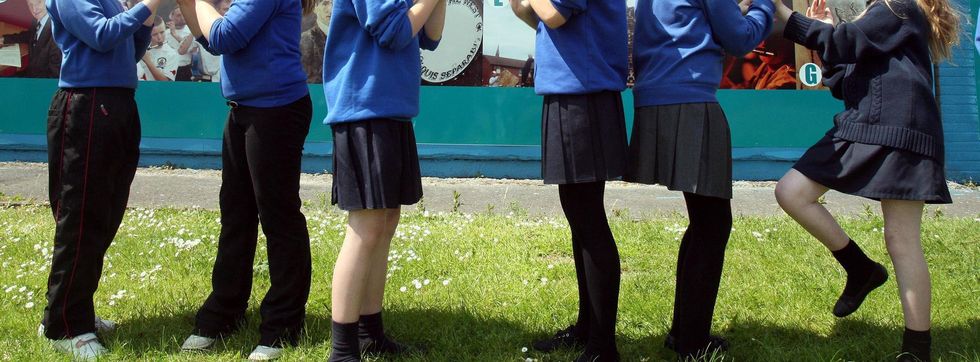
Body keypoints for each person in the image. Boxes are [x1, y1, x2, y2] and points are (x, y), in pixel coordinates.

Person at [772, 0, 960, 360]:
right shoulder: (883, 15)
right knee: (792, 193)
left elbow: (843, 42)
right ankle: (860, 269)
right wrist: (825, 35)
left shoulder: (898, 6)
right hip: (876, 126)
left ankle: (916, 350)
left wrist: (789, 19)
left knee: (901, 240)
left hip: (891, 128)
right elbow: (843, 81)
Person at [626, 0, 772, 359]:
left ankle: (685, 332)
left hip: (657, 96)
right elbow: (740, 39)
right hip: (690, 99)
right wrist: (765, 7)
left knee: (704, 221)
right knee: (713, 224)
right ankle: (692, 342)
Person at [174, 0, 316, 360]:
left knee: (279, 218)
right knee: (235, 216)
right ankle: (223, 313)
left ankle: (282, 327)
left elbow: (224, 34)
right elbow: (210, 39)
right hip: (243, 111)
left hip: (275, 111)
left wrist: (200, 2)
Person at [39, 0, 163, 359]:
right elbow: (101, 35)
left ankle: (77, 309)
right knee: (81, 218)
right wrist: (147, 5)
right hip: (86, 105)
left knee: (105, 216)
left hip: (117, 103)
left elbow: (130, 49)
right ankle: (64, 324)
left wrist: (142, 23)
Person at [321, 0, 445, 359]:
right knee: (366, 226)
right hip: (364, 107)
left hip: (390, 108)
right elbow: (393, 32)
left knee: (385, 221)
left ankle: (369, 332)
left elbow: (432, 37)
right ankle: (342, 349)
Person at [509, 0, 627, 360]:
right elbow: (533, 15)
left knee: (588, 221)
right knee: (581, 219)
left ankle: (603, 346)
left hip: (583, 95)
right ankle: (588, 329)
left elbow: (553, 15)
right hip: (572, 91)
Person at [0, 0, 61, 78]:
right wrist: (4, 39)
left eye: (39, 2)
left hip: (39, 83)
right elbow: (30, 34)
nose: (34, 9)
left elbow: (54, 77)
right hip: (31, 74)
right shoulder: (40, 18)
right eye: (30, 4)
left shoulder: (58, 35)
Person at [137, 16, 179, 81]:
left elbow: (166, 83)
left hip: (157, 90)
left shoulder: (172, 54)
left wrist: (148, 62)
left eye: (162, 32)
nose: (159, 37)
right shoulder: (138, 48)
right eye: (154, 34)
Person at [300, 0, 331, 84]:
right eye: (325, 3)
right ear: (315, 8)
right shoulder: (305, 40)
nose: (331, 9)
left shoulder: (349, 37)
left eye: (335, 3)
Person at [165, 7, 198, 81]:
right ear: (171, 16)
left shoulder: (192, 31)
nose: (182, 17)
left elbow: (191, 50)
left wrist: (175, 35)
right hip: (168, 68)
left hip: (184, 69)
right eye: (178, 15)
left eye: (183, 14)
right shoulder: (165, 33)